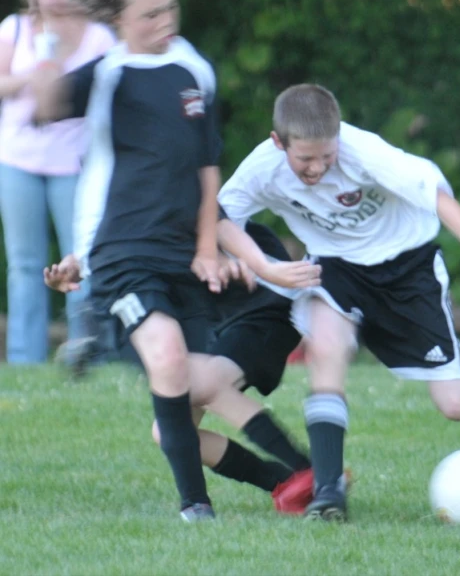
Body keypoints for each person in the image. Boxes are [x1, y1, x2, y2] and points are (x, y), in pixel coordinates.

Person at [218, 83, 460, 522]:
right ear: (277, 141)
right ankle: (329, 492)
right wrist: (261, 267)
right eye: (305, 159)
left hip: (406, 272)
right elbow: (223, 217)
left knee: (457, 403)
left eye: (327, 155)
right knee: (326, 347)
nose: (319, 167)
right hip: (336, 267)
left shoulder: (364, 152)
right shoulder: (262, 167)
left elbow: (433, 194)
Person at [32, 0, 321, 522]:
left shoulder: (194, 69)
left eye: (171, 9)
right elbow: (44, 107)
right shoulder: (107, 75)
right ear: (117, 20)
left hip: (184, 260)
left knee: (185, 411)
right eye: (149, 15)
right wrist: (51, 46)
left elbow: (207, 169)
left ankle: (294, 478)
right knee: (168, 359)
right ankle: (199, 507)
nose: (165, 23)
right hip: (124, 256)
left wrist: (209, 247)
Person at [45, 219, 324, 516]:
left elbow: (211, 221)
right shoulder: (132, 202)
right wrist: (75, 263)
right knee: (169, 432)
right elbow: (122, 238)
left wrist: (229, 256)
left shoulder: (183, 186)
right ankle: (283, 483)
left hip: (264, 309)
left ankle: (310, 472)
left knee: (200, 383)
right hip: (217, 321)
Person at [0, 0, 116, 364]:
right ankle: (24, 359)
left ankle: (85, 350)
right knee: (25, 265)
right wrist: (33, 77)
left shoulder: (99, 36)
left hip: (75, 164)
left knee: (80, 258)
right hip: (18, 161)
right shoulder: (12, 30)